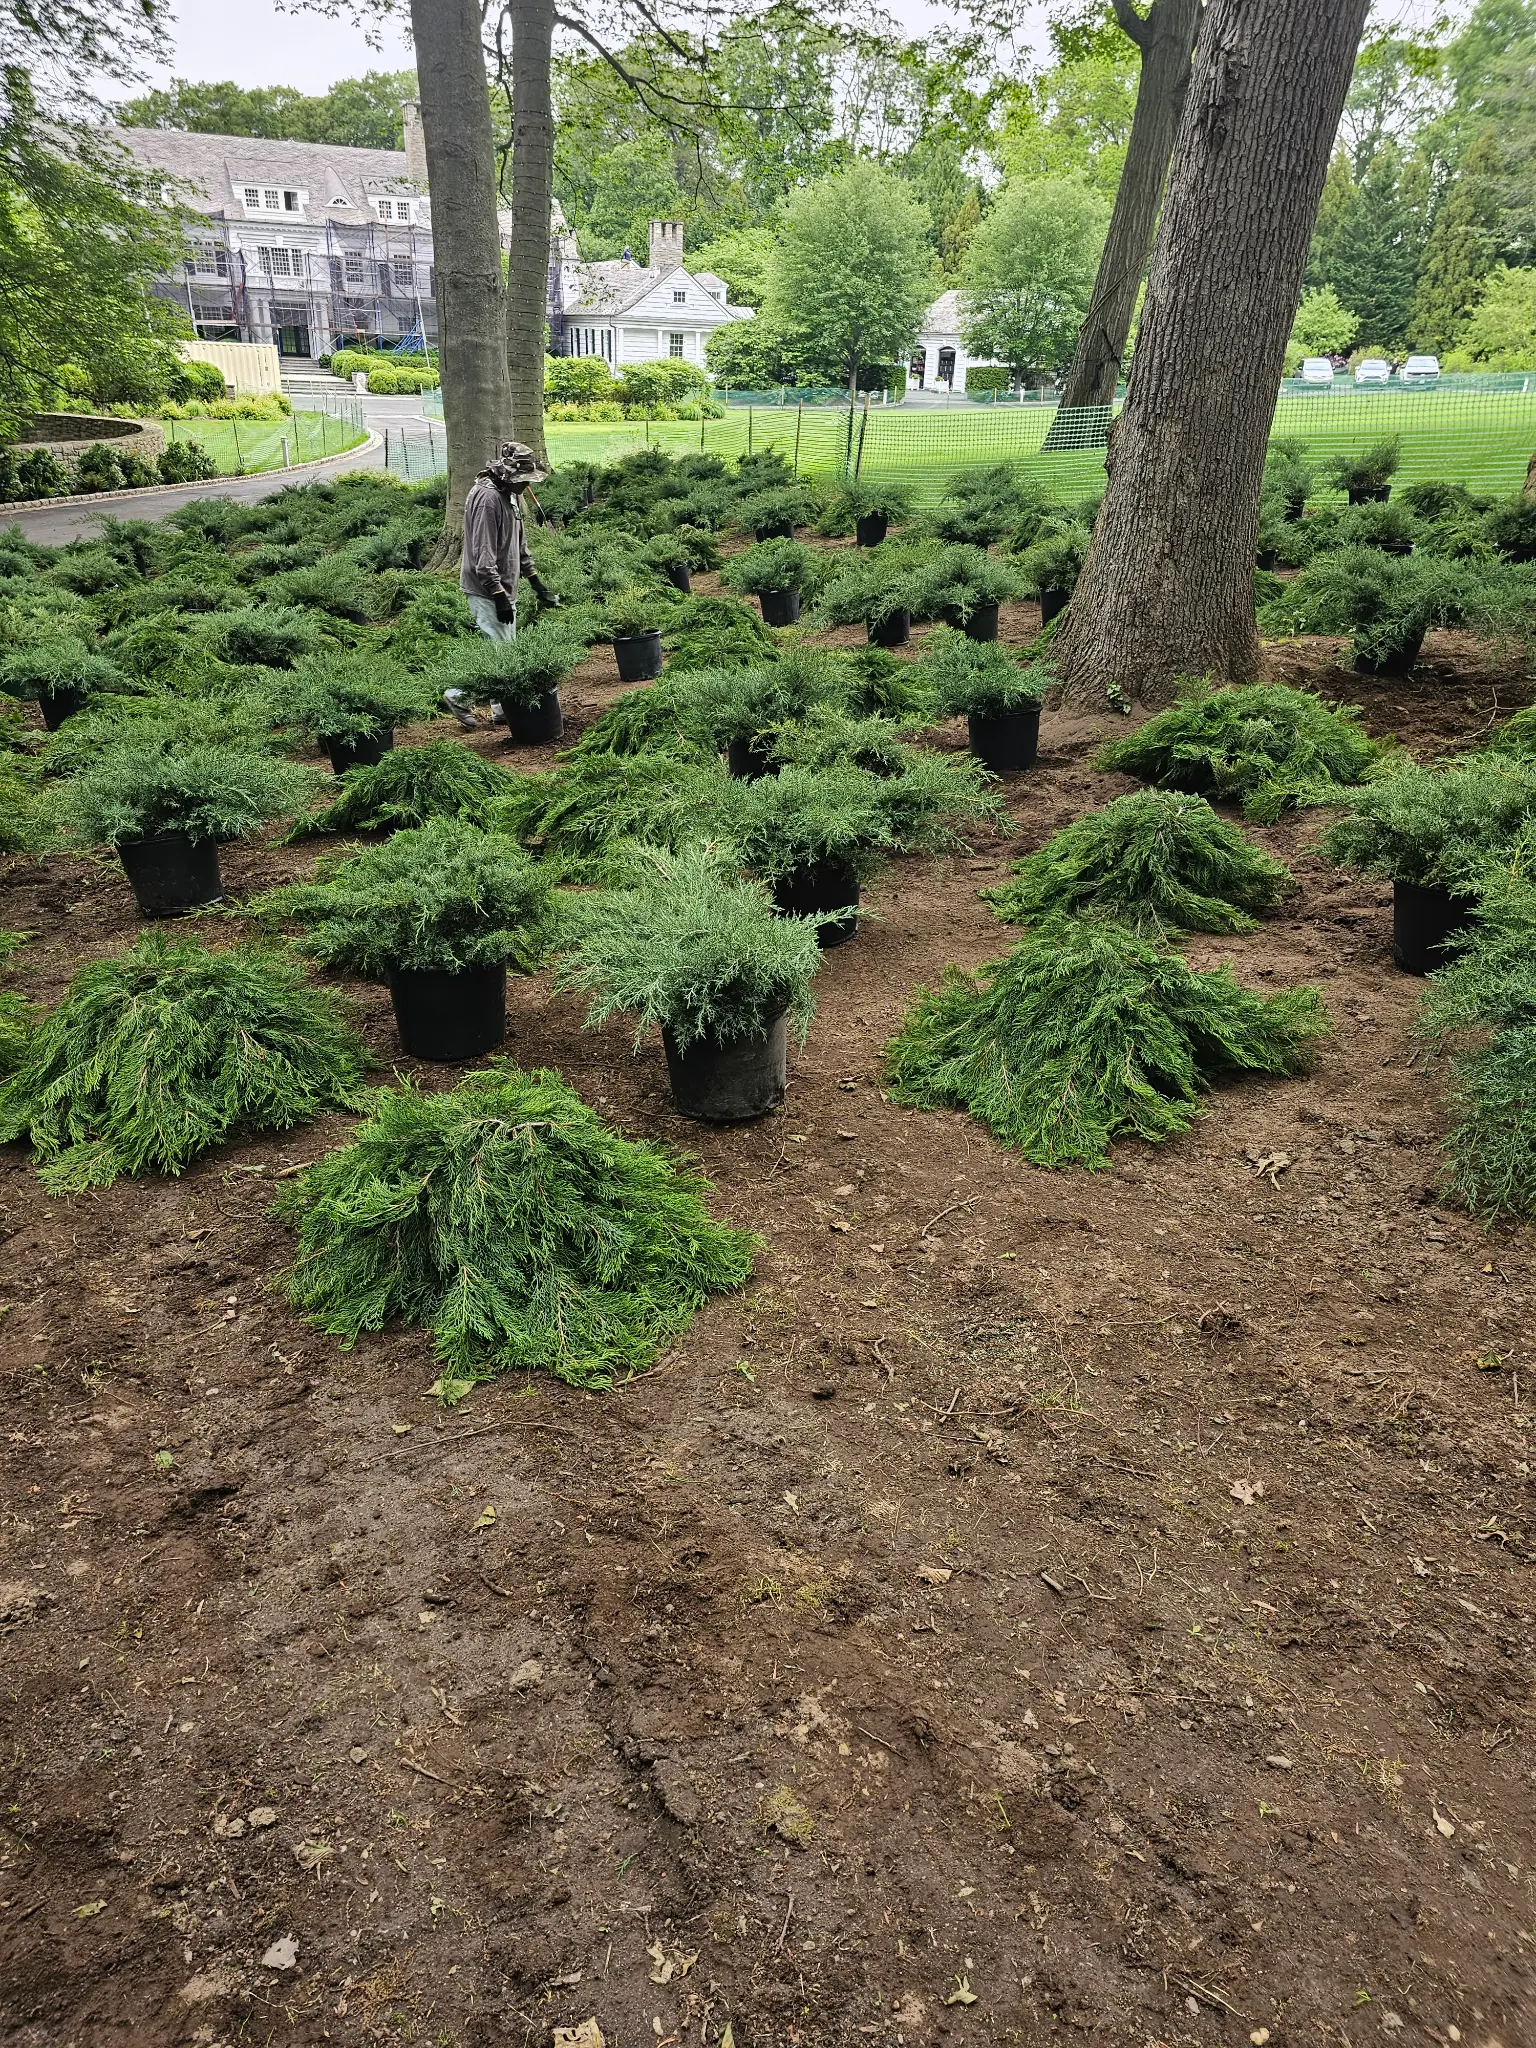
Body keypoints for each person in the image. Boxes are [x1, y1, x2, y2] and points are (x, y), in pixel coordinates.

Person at [445, 441, 560, 729]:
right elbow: (484, 557)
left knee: (503, 650)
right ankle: (459, 696)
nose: (525, 486)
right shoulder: (487, 499)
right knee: (503, 658)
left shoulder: (510, 495)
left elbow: (518, 544)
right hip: (487, 589)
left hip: (506, 587)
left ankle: (500, 709)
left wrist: (536, 582)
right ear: (507, 474)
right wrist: (498, 595)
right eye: (521, 480)